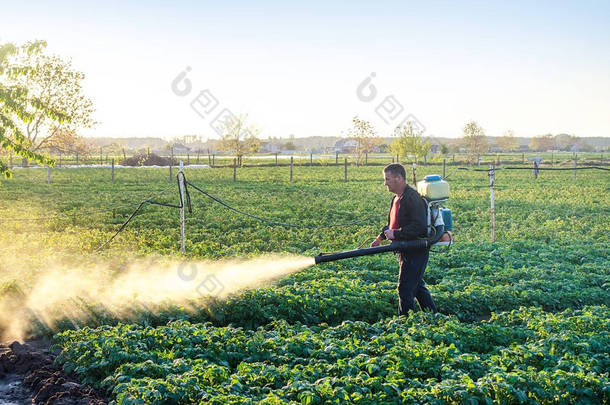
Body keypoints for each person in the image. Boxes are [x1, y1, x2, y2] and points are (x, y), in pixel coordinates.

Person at [370, 163, 437, 315]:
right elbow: (391, 224)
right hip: (404, 250)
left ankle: (405, 324)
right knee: (418, 287)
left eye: (387, 179)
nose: (385, 183)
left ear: (399, 178)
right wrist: (380, 238)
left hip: (416, 250)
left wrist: (397, 234)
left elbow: (419, 227)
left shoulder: (412, 198)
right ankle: (434, 317)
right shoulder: (396, 199)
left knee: (405, 288)